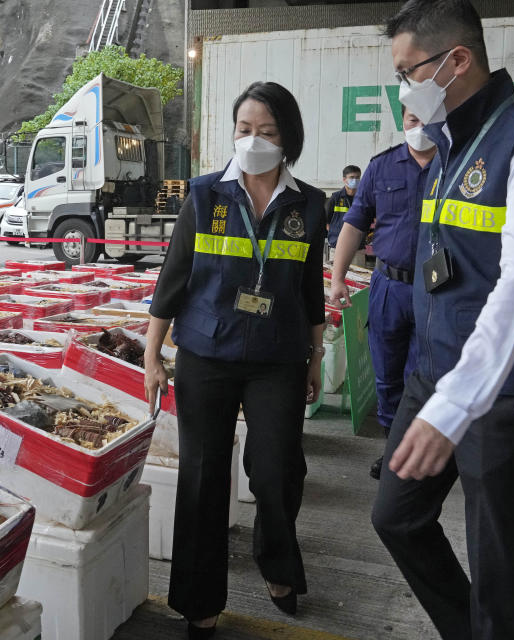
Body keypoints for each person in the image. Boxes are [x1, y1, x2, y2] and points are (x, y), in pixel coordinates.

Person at [371, 2, 514, 639]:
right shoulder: (449, 146)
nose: (403, 89)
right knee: (395, 516)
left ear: (457, 61)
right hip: (435, 370)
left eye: (408, 71)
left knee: (497, 556)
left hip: (505, 389)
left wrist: (457, 404)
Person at [143, 81, 326, 638]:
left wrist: (315, 358)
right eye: (244, 130)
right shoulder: (204, 196)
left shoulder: (310, 204)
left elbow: (310, 290)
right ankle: (199, 598)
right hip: (206, 353)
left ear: (287, 138)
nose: (253, 141)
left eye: (267, 132)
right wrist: (153, 354)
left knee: (276, 471)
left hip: (279, 358)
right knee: (202, 474)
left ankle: (278, 562)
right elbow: (172, 281)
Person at [328, 107, 437, 480]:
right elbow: (354, 224)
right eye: (412, 120)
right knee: (387, 375)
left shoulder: (459, 164)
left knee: (424, 375)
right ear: (402, 122)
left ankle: (417, 451)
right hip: (388, 287)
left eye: (427, 118)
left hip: (437, 291)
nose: (419, 127)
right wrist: (337, 277)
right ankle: (393, 447)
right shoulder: (382, 166)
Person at [325, 165, 360, 248]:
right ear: (344, 179)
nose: (355, 180)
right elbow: (325, 219)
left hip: (358, 247)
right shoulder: (335, 198)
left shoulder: (363, 198)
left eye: (357, 177)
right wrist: (335, 233)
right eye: (351, 177)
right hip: (337, 245)